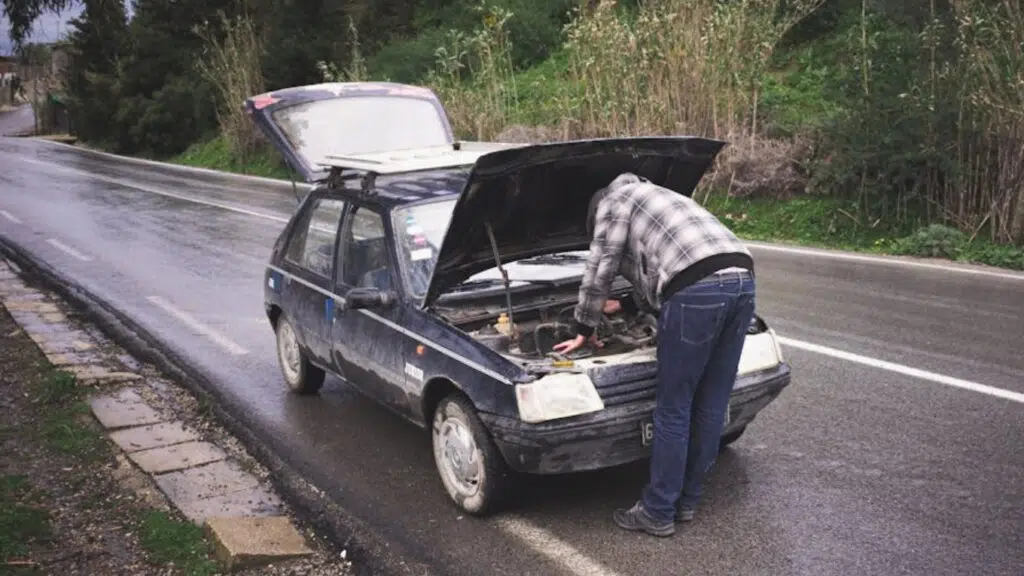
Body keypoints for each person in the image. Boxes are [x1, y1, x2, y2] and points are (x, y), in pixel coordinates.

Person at [553, 172, 756, 537]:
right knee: (711, 401)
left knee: (673, 407)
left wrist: (584, 326)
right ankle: (688, 501)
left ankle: (658, 510)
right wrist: (627, 302)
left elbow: (602, 265)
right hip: (742, 278)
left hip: (698, 290)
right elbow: (668, 265)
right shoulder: (663, 195)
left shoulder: (615, 199)